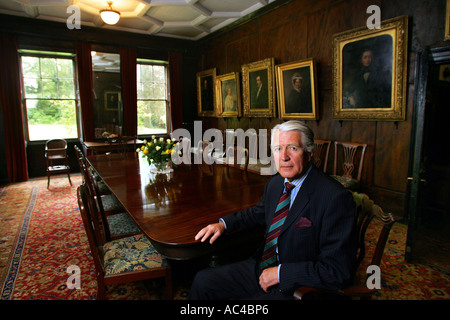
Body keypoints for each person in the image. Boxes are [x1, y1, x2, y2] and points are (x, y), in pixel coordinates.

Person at [189, 120, 357, 300]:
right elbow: (258, 212)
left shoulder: (335, 197)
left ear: (309, 153)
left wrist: (280, 274)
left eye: (293, 148)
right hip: (262, 265)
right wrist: (223, 224)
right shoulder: (276, 183)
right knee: (203, 280)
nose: (284, 156)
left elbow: (337, 271)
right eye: (278, 149)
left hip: (297, 285)